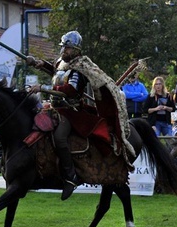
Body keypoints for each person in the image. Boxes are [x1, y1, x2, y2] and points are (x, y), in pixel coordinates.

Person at [28, 30, 134, 201]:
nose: (64, 51)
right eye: (64, 48)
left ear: (76, 49)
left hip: (70, 111)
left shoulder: (80, 68)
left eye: (68, 48)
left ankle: (71, 176)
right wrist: (38, 63)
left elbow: (70, 90)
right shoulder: (62, 62)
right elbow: (57, 73)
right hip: (54, 108)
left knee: (60, 137)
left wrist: (43, 88)